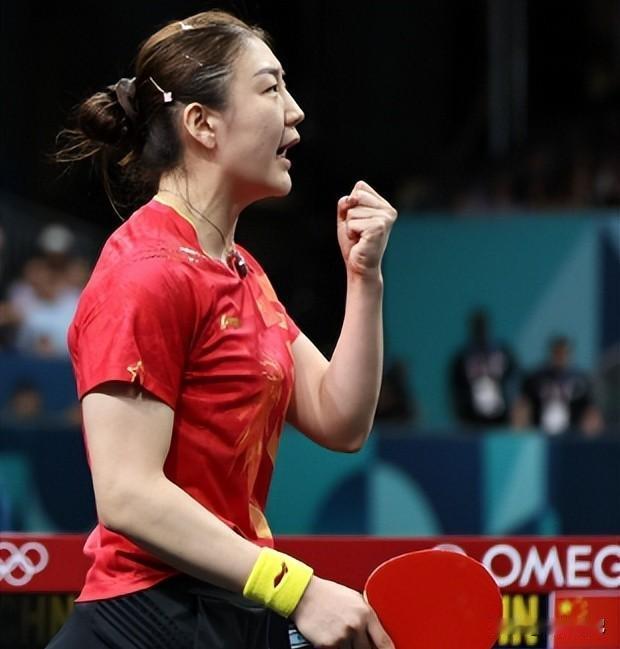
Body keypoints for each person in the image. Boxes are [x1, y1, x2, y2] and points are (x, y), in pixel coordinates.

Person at [47, 10, 396, 649]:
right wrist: (298, 589)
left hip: (229, 606)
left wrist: (364, 279)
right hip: (148, 617)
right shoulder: (146, 273)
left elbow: (340, 418)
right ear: (202, 124)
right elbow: (127, 493)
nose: (295, 112)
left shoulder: (239, 270)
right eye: (270, 88)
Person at [512, 335, 604, 437]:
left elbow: (591, 410)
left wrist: (590, 431)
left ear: (570, 355)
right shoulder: (535, 379)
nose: (561, 357)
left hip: (572, 433)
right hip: (539, 433)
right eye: (557, 353)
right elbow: (522, 406)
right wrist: (520, 429)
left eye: (564, 353)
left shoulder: (581, 381)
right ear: (551, 354)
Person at [450, 309, 517, 429]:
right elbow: (456, 389)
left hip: (501, 417)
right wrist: (462, 414)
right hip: (471, 419)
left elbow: (513, 379)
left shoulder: (502, 352)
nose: (481, 330)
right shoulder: (463, 357)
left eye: (482, 326)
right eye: (478, 326)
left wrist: (511, 406)